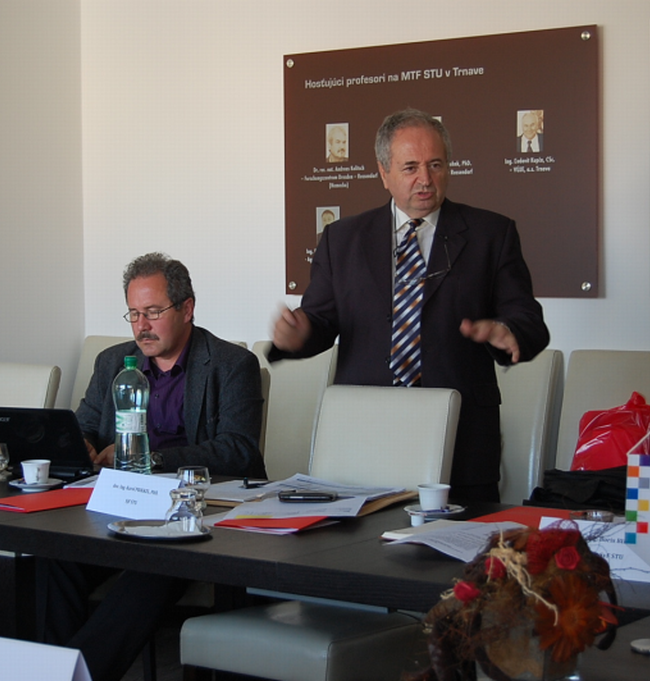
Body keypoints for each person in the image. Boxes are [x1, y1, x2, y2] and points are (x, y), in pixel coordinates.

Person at [271, 108, 549, 503]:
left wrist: (508, 331)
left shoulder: (491, 234)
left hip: (462, 441)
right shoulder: (342, 239)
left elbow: (529, 321)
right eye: (411, 167)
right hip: (364, 439)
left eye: (436, 165)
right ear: (383, 172)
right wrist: (297, 335)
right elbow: (320, 319)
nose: (426, 179)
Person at [38, 252, 265, 681]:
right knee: (54, 559)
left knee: (151, 570)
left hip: (193, 517)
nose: (142, 325)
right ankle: (51, 668)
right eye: (134, 314)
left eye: (153, 312)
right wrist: (80, 445)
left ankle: (70, 675)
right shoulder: (112, 363)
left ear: (187, 308)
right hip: (120, 508)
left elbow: (239, 451)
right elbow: (86, 425)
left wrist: (150, 459)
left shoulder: (232, 364)